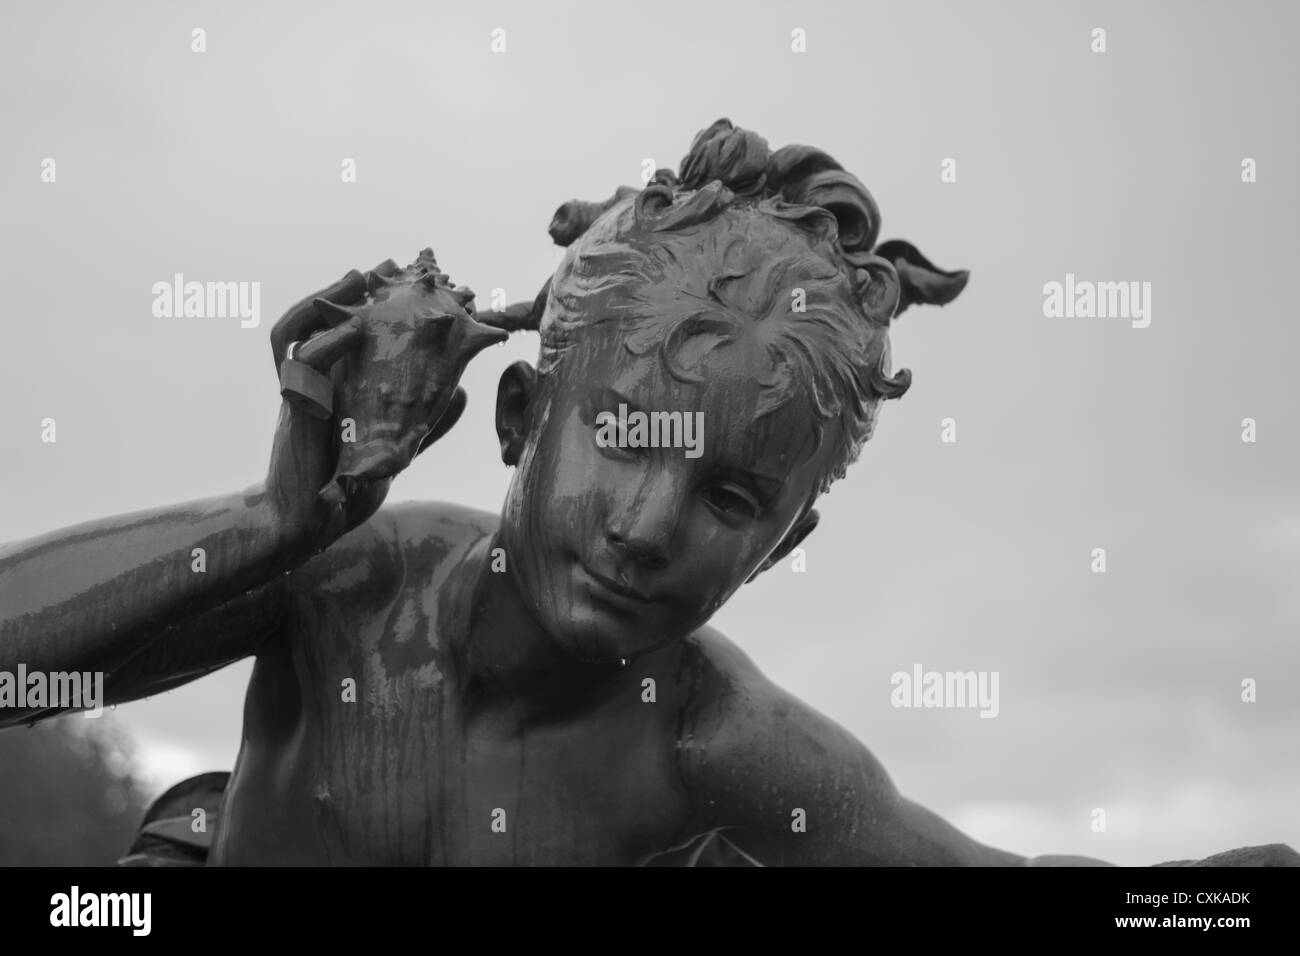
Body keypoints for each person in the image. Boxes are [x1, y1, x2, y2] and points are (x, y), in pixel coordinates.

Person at [1, 120, 1293, 866]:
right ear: (518, 420)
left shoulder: (716, 742)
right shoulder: (346, 584)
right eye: (622, 436)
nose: (647, 527)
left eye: (731, 501)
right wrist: (266, 524)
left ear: (779, 552)